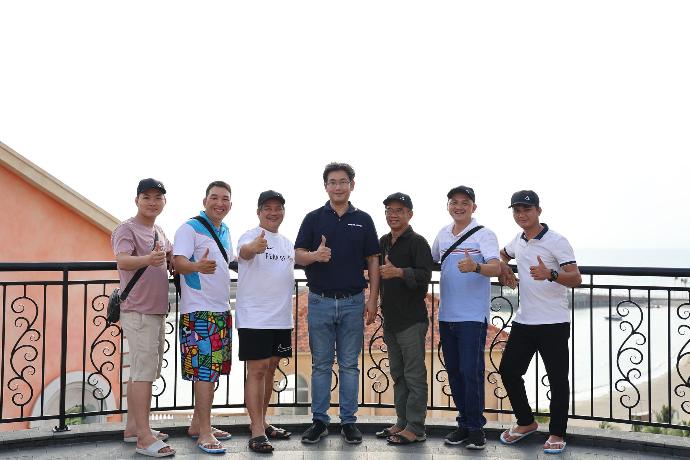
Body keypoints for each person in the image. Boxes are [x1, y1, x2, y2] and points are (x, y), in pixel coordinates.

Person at [294, 162, 380, 444]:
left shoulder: (364, 220)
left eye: (343, 182)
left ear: (352, 185)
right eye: (333, 182)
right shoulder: (313, 218)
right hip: (319, 301)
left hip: (353, 302)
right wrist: (315, 256)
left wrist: (373, 299)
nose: (338, 187)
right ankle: (319, 421)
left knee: (349, 365)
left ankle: (348, 422)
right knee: (321, 365)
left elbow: (373, 260)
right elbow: (298, 254)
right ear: (325, 186)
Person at [498, 190, 582, 455]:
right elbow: (503, 254)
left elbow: (576, 278)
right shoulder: (518, 240)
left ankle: (557, 433)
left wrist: (550, 274)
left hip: (554, 322)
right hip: (525, 320)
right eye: (517, 210)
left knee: (557, 379)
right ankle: (526, 422)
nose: (521, 214)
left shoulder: (557, 241)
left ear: (538, 211)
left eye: (527, 209)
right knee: (508, 371)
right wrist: (504, 268)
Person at [431, 185, 501, 451]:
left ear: (474, 207)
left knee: (471, 372)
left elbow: (496, 267)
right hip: (446, 314)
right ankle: (463, 424)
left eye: (464, 202)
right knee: (455, 372)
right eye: (454, 202)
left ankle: (476, 429)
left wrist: (476, 266)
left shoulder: (484, 234)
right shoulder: (443, 234)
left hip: (472, 316)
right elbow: (431, 260)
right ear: (448, 206)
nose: (458, 207)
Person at [112, 178, 175, 457]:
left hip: (155, 310)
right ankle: (144, 438)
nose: (152, 202)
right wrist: (148, 260)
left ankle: (133, 429)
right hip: (138, 311)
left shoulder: (158, 230)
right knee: (143, 374)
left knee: (142, 372)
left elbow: (170, 253)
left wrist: (174, 259)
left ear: (164, 202)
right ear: (136, 200)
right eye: (146, 197)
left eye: (157, 197)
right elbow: (122, 260)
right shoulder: (126, 229)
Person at [173, 181, 234, 454]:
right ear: (204, 200)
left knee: (213, 370)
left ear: (230, 204)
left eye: (225, 199)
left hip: (220, 310)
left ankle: (198, 424)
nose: (220, 203)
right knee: (205, 372)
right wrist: (197, 266)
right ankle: (205, 433)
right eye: (214, 197)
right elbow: (178, 262)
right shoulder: (189, 228)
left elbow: (228, 261)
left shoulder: (226, 230)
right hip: (199, 311)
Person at [236, 190, 295, 453]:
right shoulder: (250, 236)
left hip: (281, 317)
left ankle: (262, 421)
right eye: (267, 208)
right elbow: (244, 252)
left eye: (278, 208)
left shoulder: (287, 243)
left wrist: (316, 255)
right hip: (254, 316)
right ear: (259, 212)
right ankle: (257, 431)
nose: (273, 212)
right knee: (257, 369)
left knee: (270, 368)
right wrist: (254, 248)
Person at [375, 192, 433, 445]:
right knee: (398, 374)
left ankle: (416, 428)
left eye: (399, 210)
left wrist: (398, 272)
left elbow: (424, 277)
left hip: (412, 320)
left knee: (414, 375)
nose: (393, 215)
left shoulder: (418, 242)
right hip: (391, 319)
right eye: (389, 210)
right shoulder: (383, 242)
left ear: (410, 214)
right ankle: (402, 422)